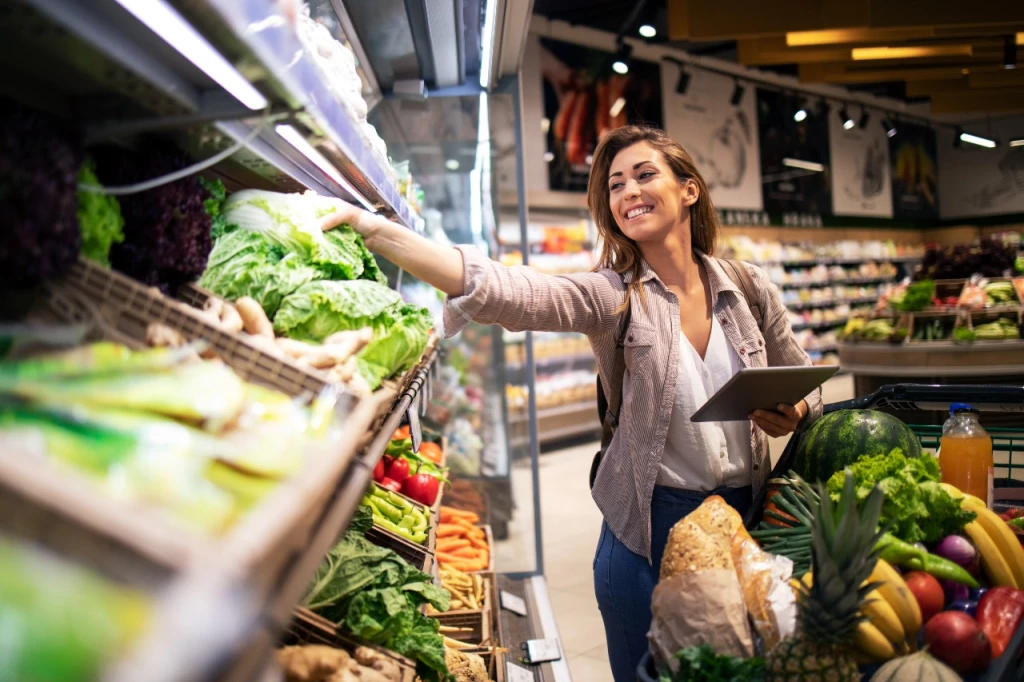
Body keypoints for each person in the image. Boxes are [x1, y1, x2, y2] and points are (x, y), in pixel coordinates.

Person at [321, 125, 823, 682]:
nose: (628, 190)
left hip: (745, 522)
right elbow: (514, 292)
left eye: (644, 174)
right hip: (648, 530)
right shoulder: (615, 294)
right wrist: (373, 229)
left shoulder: (748, 288)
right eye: (615, 184)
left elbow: (806, 380)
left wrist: (796, 411)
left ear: (689, 190)